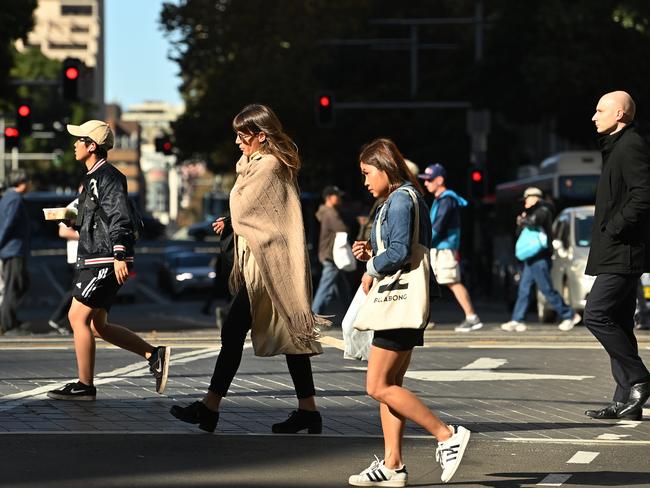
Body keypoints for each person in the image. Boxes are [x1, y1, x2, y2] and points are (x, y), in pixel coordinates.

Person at [170, 104, 326, 434]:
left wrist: (233, 216)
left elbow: (244, 206)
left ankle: (210, 408)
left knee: (237, 331)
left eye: (242, 136)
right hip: (266, 262)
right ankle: (307, 410)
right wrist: (232, 220)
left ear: (260, 136)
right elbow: (256, 212)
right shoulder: (259, 165)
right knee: (287, 334)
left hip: (269, 265)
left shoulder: (267, 165)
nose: (238, 143)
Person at [349, 138, 470, 487]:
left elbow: (401, 251)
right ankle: (393, 465)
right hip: (402, 302)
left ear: (386, 169)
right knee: (390, 385)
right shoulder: (406, 197)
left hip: (399, 303)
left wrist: (372, 265)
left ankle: (447, 434)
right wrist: (373, 251)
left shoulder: (400, 199)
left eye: (367, 173)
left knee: (377, 386)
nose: (365, 181)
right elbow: (402, 247)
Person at [46, 120, 170, 401]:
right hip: (94, 257)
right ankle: (154, 354)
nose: (74, 144)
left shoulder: (109, 177)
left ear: (92, 146)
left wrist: (119, 254)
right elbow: (94, 219)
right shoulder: (91, 179)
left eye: (79, 140)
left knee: (76, 317)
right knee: (96, 325)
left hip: (103, 259)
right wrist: (70, 219)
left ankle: (85, 385)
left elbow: (119, 217)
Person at [583, 91, 650, 420]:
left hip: (622, 251)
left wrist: (615, 228)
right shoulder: (616, 146)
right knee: (620, 323)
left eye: (600, 110)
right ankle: (626, 401)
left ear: (620, 113)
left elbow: (644, 192)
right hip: (615, 249)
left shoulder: (631, 144)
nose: (594, 117)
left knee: (596, 315)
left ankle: (639, 379)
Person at [500, 187, 581, 333]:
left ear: (535, 198)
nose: (525, 202)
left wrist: (523, 220)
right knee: (524, 289)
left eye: (527, 199)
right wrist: (522, 221)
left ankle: (569, 315)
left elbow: (535, 222)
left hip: (540, 258)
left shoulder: (544, 210)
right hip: (531, 258)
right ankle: (517, 319)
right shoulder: (532, 213)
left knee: (546, 289)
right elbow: (522, 230)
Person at [418, 163, 483, 332]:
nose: (426, 183)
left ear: (439, 180)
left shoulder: (446, 200)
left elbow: (438, 226)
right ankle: (422, 319)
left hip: (445, 249)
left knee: (452, 282)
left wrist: (423, 241)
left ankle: (472, 317)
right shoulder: (442, 199)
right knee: (426, 282)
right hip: (439, 248)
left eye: (429, 180)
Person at [312, 185, 351, 321]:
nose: (339, 198)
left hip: (330, 254)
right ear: (329, 197)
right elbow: (342, 228)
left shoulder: (326, 212)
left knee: (343, 288)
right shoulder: (330, 212)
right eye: (337, 195)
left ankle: (351, 315)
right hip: (331, 255)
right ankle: (314, 316)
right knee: (325, 287)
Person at [0, 170, 31, 335]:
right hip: (13, 249)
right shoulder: (15, 198)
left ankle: (9, 320)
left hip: (12, 249)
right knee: (14, 286)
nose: (30, 185)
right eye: (28, 181)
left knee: (21, 283)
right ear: (22, 182)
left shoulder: (8, 197)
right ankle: (8, 323)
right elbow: (8, 224)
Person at [48, 196, 81, 335]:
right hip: (77, 256)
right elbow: (62, 231)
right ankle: (58, 319)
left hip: (83, 256)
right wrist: (87, 236)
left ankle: (63, 321)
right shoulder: (75, 204)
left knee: (78, 290)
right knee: (76, 290)